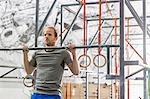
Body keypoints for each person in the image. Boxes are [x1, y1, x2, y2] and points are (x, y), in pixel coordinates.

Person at [23, 26, 80, 99]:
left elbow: (76, 72)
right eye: (45, 34)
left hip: (53, 94)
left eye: (49, 34)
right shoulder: (37, 53)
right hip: (37, 93)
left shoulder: (63, 53)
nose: (46, 37)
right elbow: (28, 71)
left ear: (56, 38)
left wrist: (74, 54)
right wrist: (25, 54)